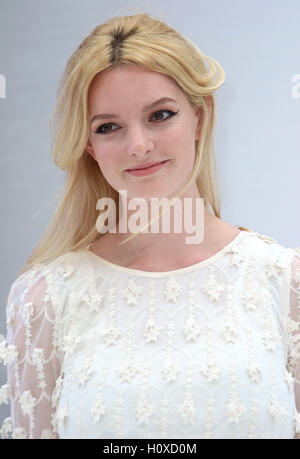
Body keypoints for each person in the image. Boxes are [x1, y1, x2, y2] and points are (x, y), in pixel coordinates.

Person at [0, 12, 299, 439]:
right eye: (109, 127)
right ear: (89, 145)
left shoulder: (285, 283)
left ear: (200, 115)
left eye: (159, 115)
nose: (138, 146)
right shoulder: (46, 299)